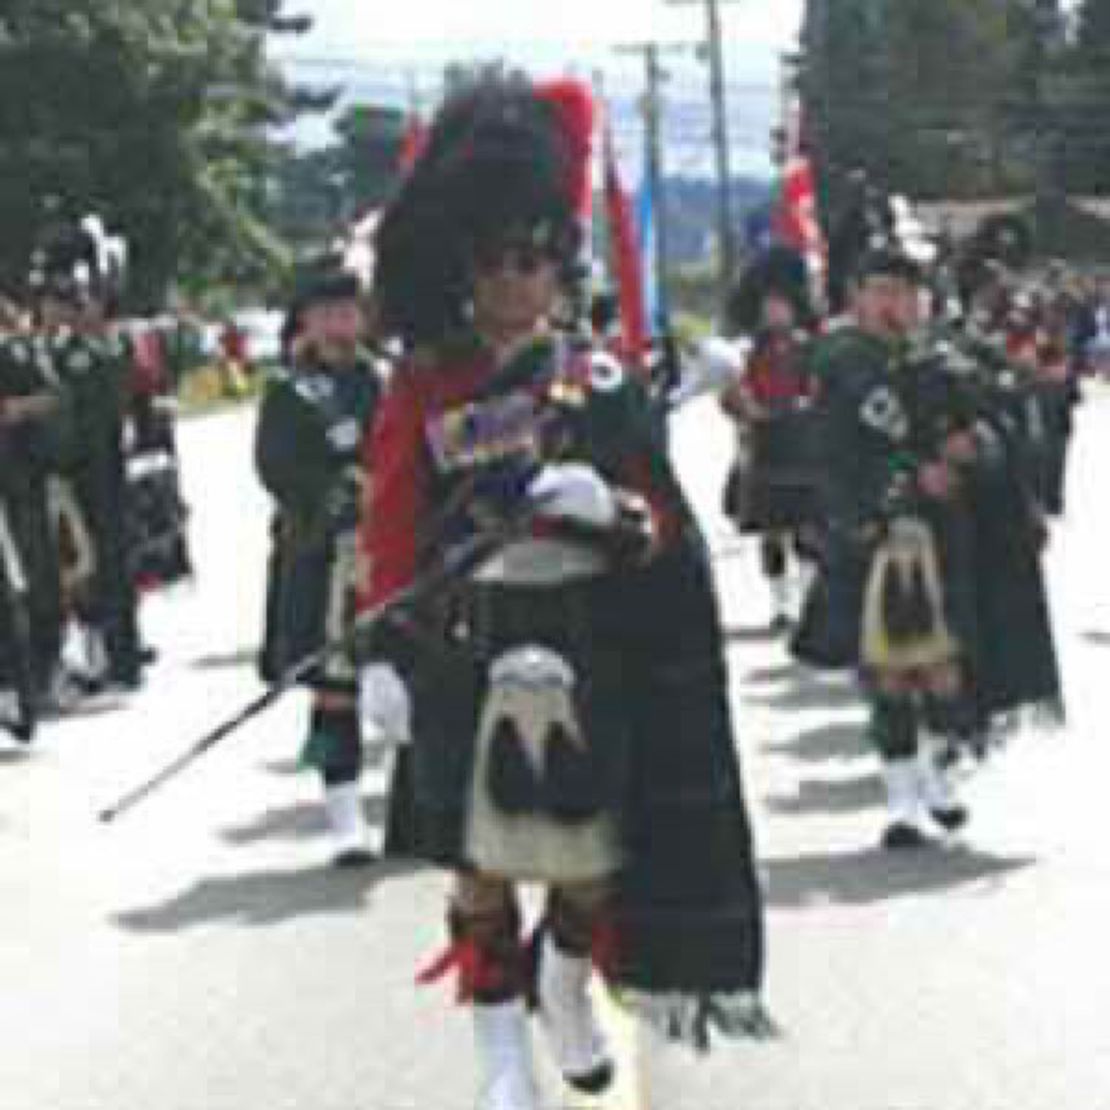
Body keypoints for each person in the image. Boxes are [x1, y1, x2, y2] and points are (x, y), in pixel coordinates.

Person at [360, 70, 770, 1110]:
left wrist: (606, 506)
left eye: (534, 260)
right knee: (482, 868)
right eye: (496, 261)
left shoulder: (597, 381)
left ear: (559, 264)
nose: (514, 281)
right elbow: (392, 524)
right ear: (464, 265)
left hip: (587, 640)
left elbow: (661, 526)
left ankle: (562, 980)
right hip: (469, 642)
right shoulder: (425, 383)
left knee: (592, 865)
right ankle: (501, 1061)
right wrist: (383, 655)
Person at [808, 248, 980, 849]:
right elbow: (834, 455)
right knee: (888, 673)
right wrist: (902, 489)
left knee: (944, 669)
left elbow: (976, 427)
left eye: (904, 293)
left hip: (941, 535)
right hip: (870, 534)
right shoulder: (840, 362)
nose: (893, 304)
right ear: (855, 297)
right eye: (879, 291)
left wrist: (970, 447)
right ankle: (903, 800)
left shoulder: (938, 361)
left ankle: (938, 775)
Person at [255, 261, 383, 866]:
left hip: (394, 549)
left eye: (348, 310)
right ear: (305, 320)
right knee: (336, 688)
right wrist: (340, 496)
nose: (340, 323)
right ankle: (344, 815)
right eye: (327, 312)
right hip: (324, 553)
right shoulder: (289, 392)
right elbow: (276, 469)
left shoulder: (387, 380)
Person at [721, 246, 820, 631]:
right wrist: (747, 410)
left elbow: (822, 389)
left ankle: (810, 598)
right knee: (772, 532)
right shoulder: (744, 351)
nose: (776, 312)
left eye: (782, 304)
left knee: (808, 530)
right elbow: (728, 395)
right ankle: (780, 603)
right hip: (764, 445)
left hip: (803, 443)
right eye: (769, 305)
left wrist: (808, 405)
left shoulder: (809, 347)